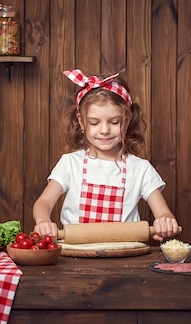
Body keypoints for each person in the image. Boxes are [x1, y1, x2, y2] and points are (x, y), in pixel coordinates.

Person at [33, 69, 180, 242]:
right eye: (94, 123)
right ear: (81, 121)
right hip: (76, 255)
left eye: (114, 122)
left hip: (125, 255)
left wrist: (165, 221)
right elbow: (44, 202)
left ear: (127, 121)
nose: (104, 130)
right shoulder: (70, 163)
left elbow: (163, 212)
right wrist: (43, 220)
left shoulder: (140, 168)